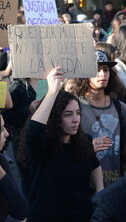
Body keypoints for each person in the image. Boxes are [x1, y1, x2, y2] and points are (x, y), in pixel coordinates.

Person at [17, 67, 103, 222]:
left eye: (78, 113)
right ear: (53, 118)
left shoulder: (84, 142)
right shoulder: (42, 147)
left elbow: (95, 167)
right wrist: (52, 92)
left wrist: (99, 192)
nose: (76, 119)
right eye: (68, 115)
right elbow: (34, 130)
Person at [68, 50, 126, 186]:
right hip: (84, 186)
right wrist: (88, 148)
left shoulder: (120, 108)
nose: (102, 74)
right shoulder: (75, 108)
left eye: (106, 70)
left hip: (115, 185)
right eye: (96, 70)